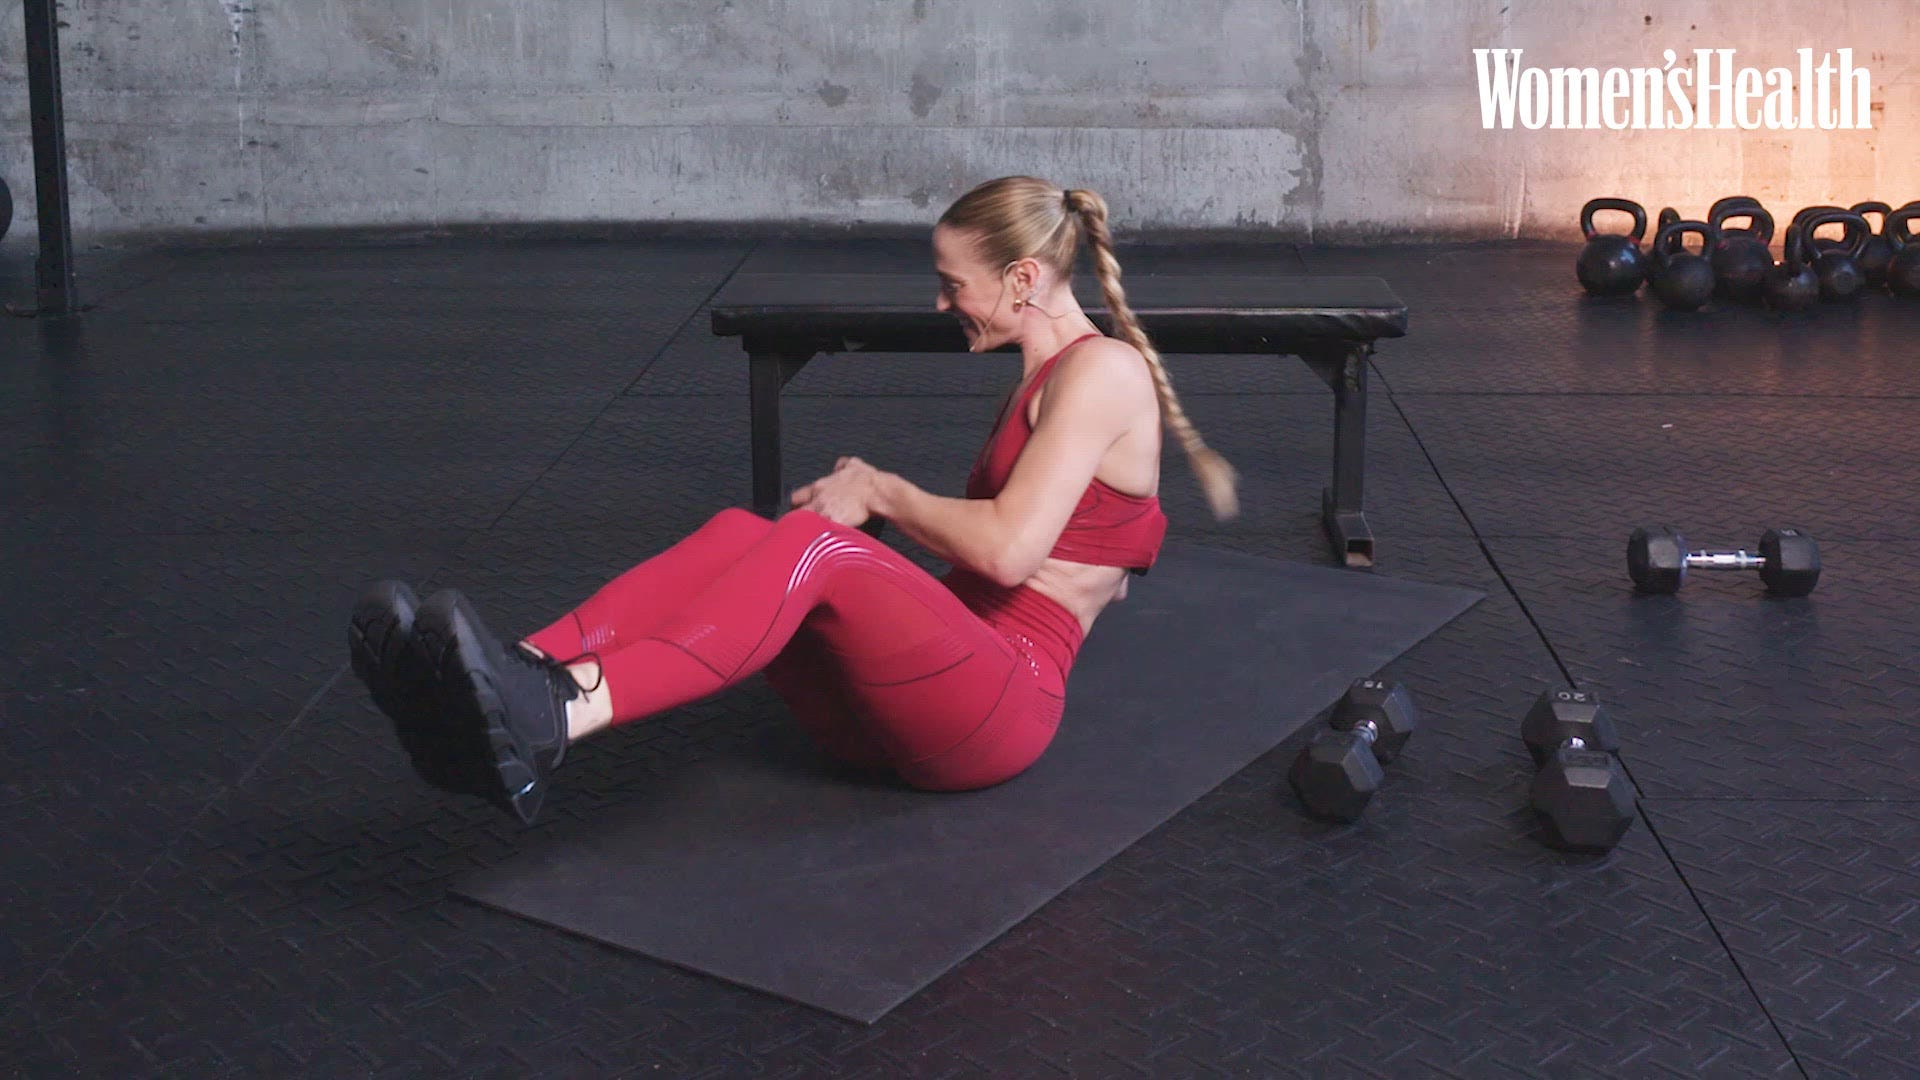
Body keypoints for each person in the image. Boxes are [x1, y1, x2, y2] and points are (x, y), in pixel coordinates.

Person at [347, 176, 1239, 825]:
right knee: (753, 530)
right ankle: (504, 680)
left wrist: (883, 491)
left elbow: (1011, 554)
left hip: (998, 709)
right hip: (918, 696)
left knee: (821, 546)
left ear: (1020, 279)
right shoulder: (1043, 380)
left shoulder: (1104, 371)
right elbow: (1057, 554)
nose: (941, 304)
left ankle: (559, 712)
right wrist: (890, 538)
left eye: (953, 284)